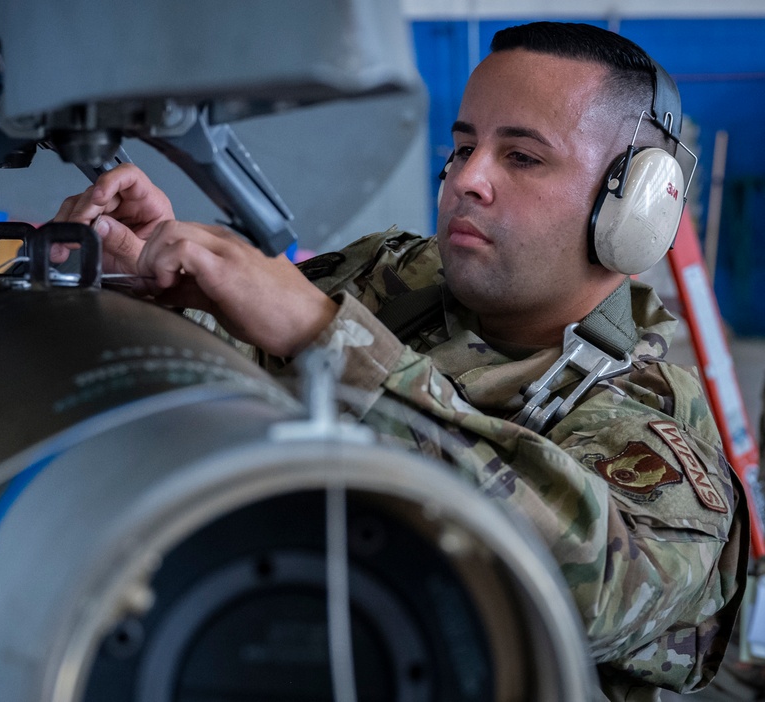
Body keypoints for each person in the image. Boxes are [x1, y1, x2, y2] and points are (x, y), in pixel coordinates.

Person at [51, 21, 748, 702]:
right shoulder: (396, 274)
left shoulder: (651, 424)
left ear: (632, 210)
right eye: (464, 145)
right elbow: (247, 361)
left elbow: (600, 596)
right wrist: (164, 281)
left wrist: (328, 337)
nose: (467, 179)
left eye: (522, 157)